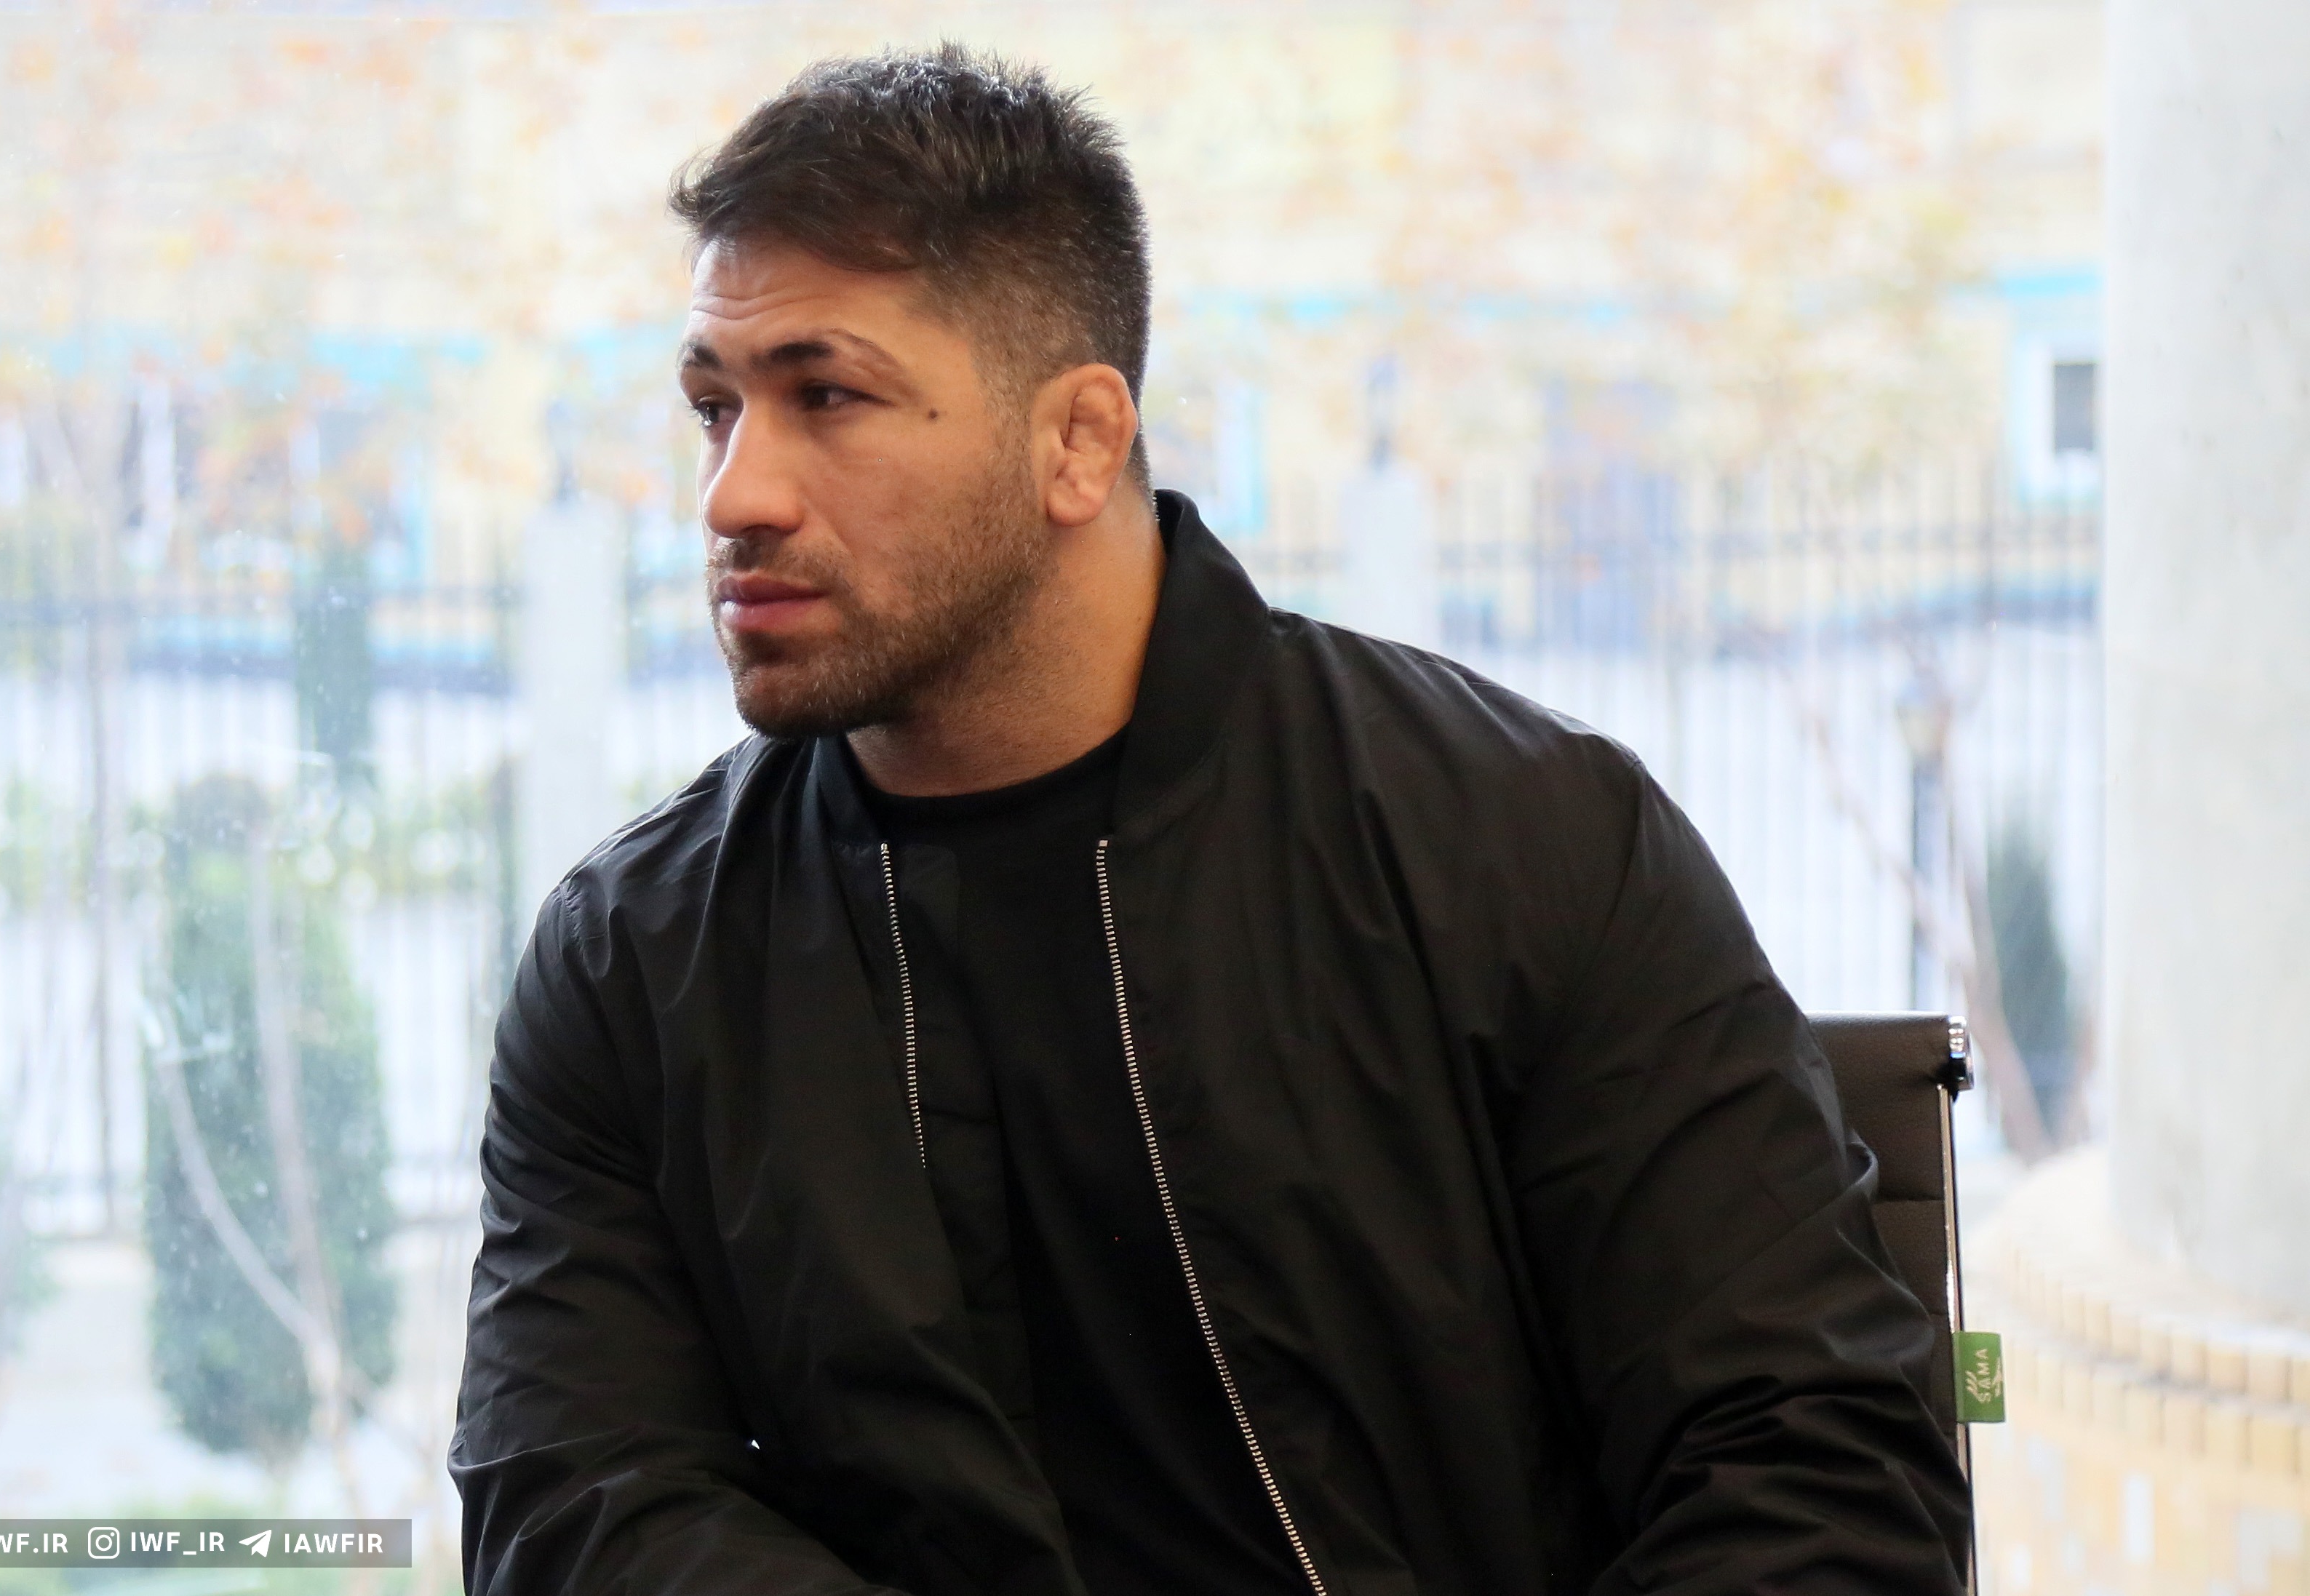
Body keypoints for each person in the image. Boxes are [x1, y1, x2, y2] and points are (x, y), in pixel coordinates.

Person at [450, 43, 1970, 1596]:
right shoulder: (634, 965)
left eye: (824, 396)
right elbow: (577, 1504)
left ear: (1078, 440)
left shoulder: (1517, 840)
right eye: (714, 406)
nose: (732, 493)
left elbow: (1814, 1465)